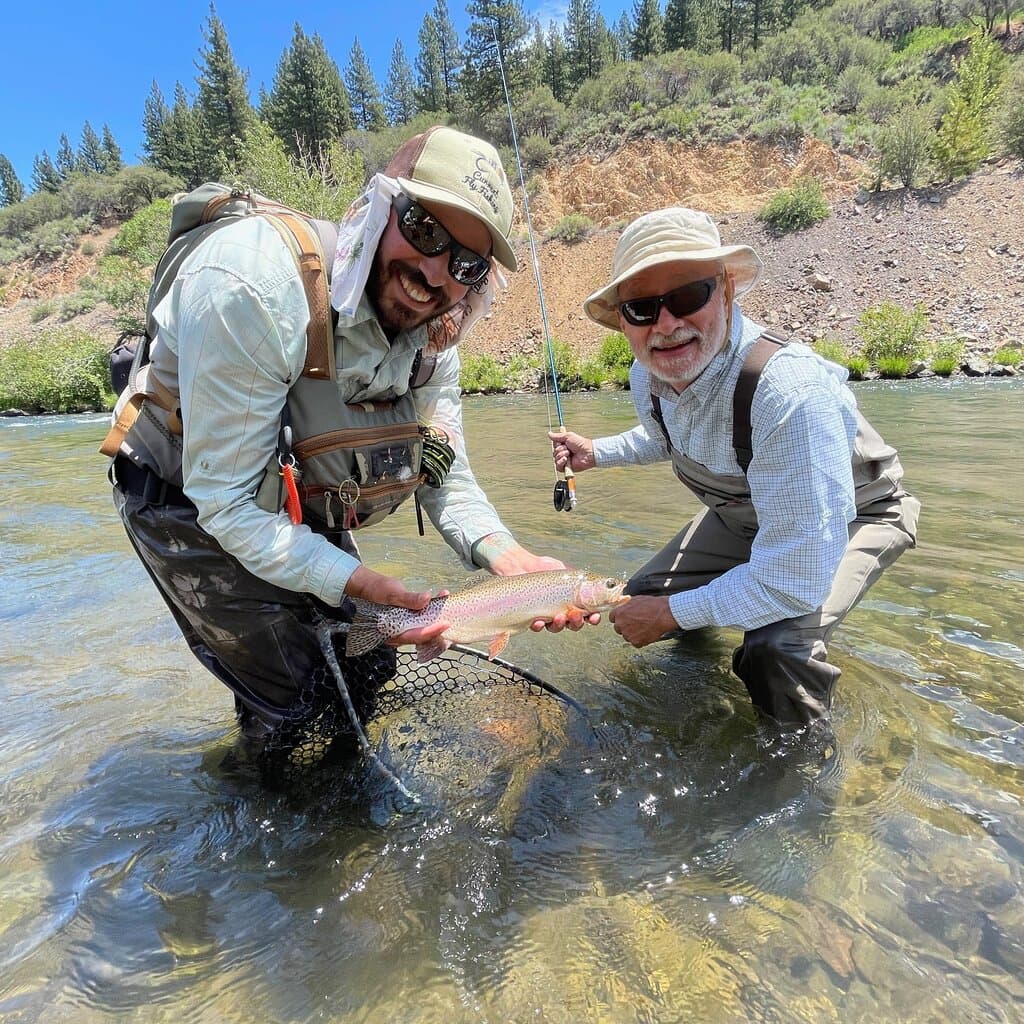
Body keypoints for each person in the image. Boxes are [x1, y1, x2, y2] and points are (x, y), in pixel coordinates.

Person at [105, 125, 594, 760]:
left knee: (365, 670)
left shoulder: (436, 334)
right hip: (185, 497)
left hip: (293, 495)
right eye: (423, 230)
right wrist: (362, 581)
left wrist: (508, 559)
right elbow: (225, 504)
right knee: (294, 698)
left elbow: (446, 475)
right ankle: (273, 823)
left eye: (466, 263)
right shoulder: (254, 285)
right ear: (377, 209)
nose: (434, 271)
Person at [550, 206, 920, 733]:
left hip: (854, 517)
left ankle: (799, 775)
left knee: (774, 648)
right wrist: (596, 452)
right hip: (746, 518)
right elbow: (669, 437)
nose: (667, 324)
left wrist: (673, 615)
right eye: (641, 308)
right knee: (644, 594)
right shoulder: (646, 374)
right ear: (624, 321)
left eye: (687, 296)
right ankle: (695, 695)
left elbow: (795, 579)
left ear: (725, 290)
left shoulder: (789, 395)